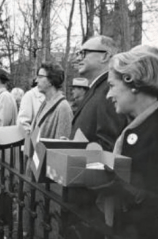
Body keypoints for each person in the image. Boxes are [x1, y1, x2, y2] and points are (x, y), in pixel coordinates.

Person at [92, 45, 158, 238]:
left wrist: (129, 191)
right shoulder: (136, 125)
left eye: (112, 86)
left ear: (134, 82)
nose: (108, 95)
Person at [71, 35, 127, 151]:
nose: (78, 58)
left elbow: (108, 146)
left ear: (105, 56)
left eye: (84, 53)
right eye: (78, 53)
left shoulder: (109, 90)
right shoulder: (97, 88)